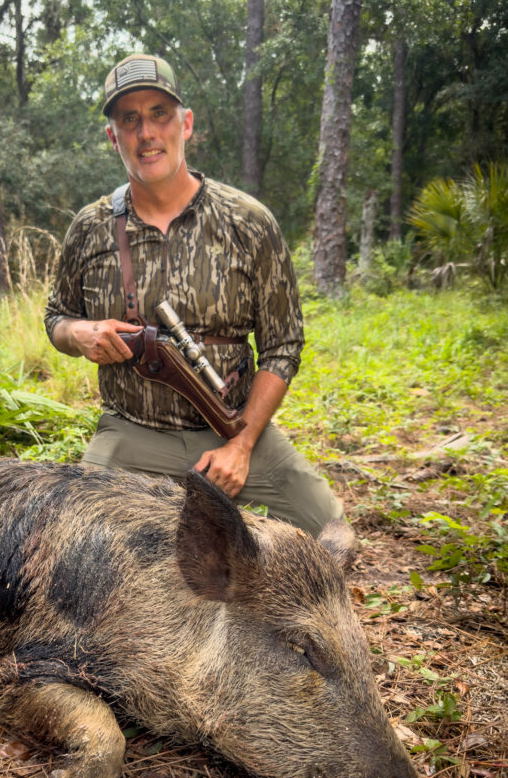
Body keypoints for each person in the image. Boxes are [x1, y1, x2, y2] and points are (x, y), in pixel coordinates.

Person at [44, 53, 344, 537]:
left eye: (159, 114)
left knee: (328, 528)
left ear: (185, 124)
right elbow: (56, 316)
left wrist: (241, 446)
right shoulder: (90, 227)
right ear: (112, 136)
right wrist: (79, 332)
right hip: (132, 432)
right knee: (74, 546)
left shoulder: (247, 221)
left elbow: (283, 344)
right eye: (129, 119)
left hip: (233, 427)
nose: (146, 133)